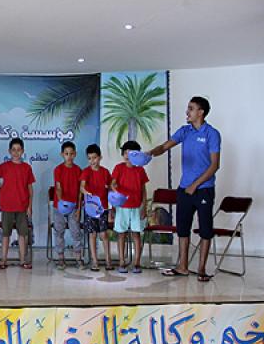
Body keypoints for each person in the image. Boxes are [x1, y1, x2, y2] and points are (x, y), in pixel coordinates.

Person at [150, 96, 221, 282]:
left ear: (201, 112)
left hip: (203, 189)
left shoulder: (212, 134)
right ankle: (182, 267)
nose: (187, 112)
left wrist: (194, 185)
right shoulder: (185, 131)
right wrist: (149, 153)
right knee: (183, 229)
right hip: (184, 190)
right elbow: (164, 147)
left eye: (191, 108)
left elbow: (214, 165)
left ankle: (202, 269)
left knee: (205, 230)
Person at [0, 138, 35, 269]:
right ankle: (3, 260)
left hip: (22, 206)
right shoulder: (5, 166)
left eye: (18, 150)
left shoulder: (27, 168)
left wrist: (30, 206)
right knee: (6, 234)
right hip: (7, 206)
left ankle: (22, 260)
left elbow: (30, 189)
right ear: (9, 151)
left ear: (22, 151)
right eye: (13, 150)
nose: (16, 152)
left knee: (22, 234)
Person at [111, 140, 149, 273]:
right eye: (125, 152)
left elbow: (144, 190)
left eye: (131, 153)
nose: (127, 155)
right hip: (122, 207)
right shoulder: (118, 168)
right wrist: (115, 191)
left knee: (136, 234)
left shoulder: (140, 170)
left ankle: (137, 262)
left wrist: (144, 207)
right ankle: (122, 261)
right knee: (121, 234)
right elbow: (113, 184)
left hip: (136, 207)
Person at [80, 144, 112, 271]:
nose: (92, 161)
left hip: (102, 208)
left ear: (100, 157)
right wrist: (85, 192)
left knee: (104, 234)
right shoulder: (86, 172)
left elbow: (111, 188)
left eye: (94, 158)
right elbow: (82, 186)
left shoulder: (105, 172)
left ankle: (108, 260)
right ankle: (94, 261)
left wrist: (109, 188)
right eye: (89, 158)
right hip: (90, 209)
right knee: (92, 234)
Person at [52, 141, 83, 269]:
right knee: (59, 231)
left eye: (71, 154)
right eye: (66, 154)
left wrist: (79, 209)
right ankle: (60, 258)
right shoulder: (58, 169)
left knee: (76, 232)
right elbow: (58, 187)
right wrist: (61, 202)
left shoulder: (78, 170)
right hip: (59, 207)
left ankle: (78, 258)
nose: (69, 156)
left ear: (75, 154)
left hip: (73, 207)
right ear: (62, 154)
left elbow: (81, 192)